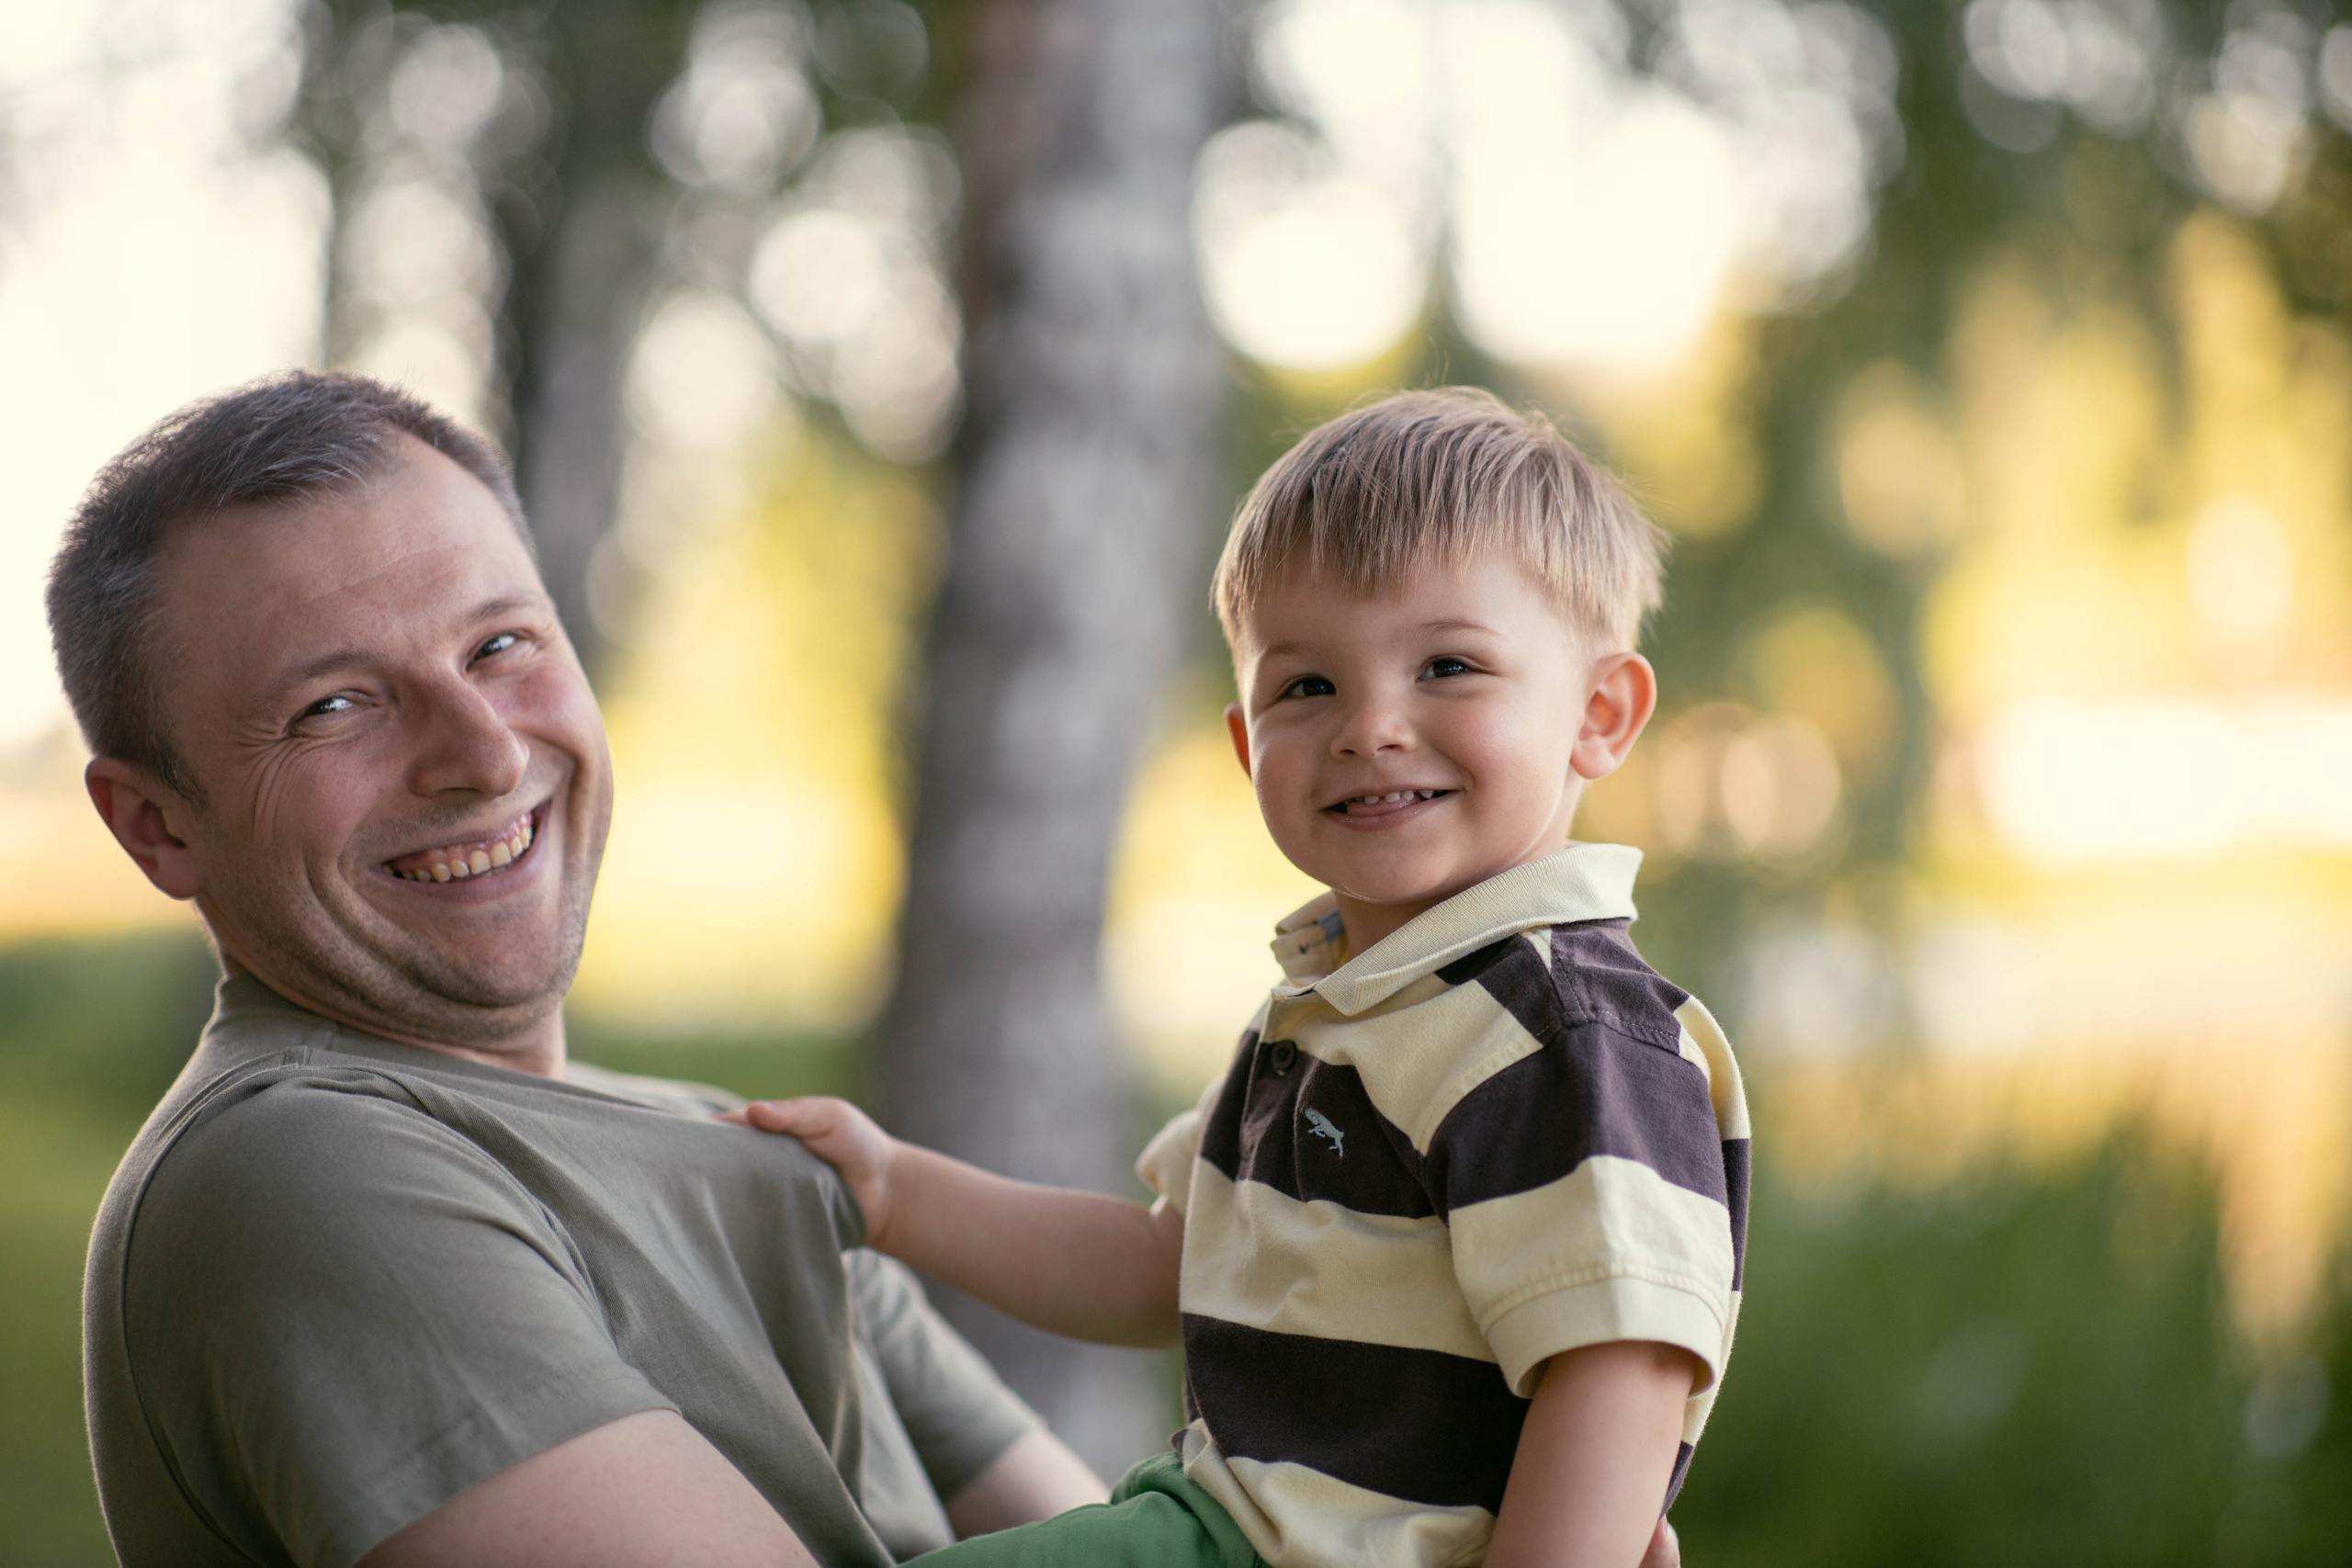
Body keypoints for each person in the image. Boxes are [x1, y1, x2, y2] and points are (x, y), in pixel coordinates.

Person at [50, 371, 1108, 1568]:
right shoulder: (302, 1171)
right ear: (157, 826)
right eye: (334, 705)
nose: (486, 753)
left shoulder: (743, 1147)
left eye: (499, 644)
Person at [740, 389, 1750, 1568]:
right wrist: (897, 1193)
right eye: (1306, 686)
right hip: (1224, 1523)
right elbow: (1163, 1264)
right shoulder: (1348, 1006)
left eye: (1447, 665)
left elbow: (1619, 1369)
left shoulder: (1562, 1035)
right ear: (1245, 744)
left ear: (1599, 713)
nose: (1370, 726)